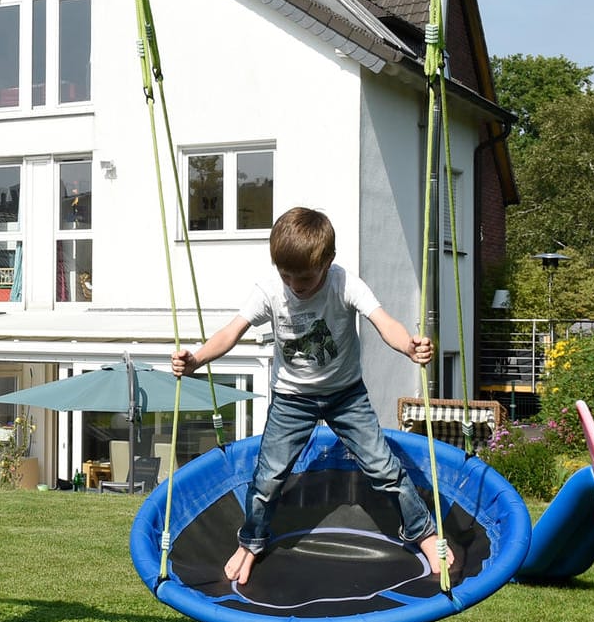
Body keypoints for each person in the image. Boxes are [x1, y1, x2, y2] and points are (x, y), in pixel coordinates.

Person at [171, 206, 448, 586]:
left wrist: (409, 347)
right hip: (292, 399)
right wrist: (197, 358)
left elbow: (383, 322)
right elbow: (230, 332)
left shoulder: (344, 283)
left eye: (304, 277)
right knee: (268, 478)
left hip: (345, 394)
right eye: (287, 276)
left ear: (327, 262)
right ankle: (251, 541)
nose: (295, 285)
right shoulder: (270, 290)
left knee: (383, 468)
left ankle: (424, 534)